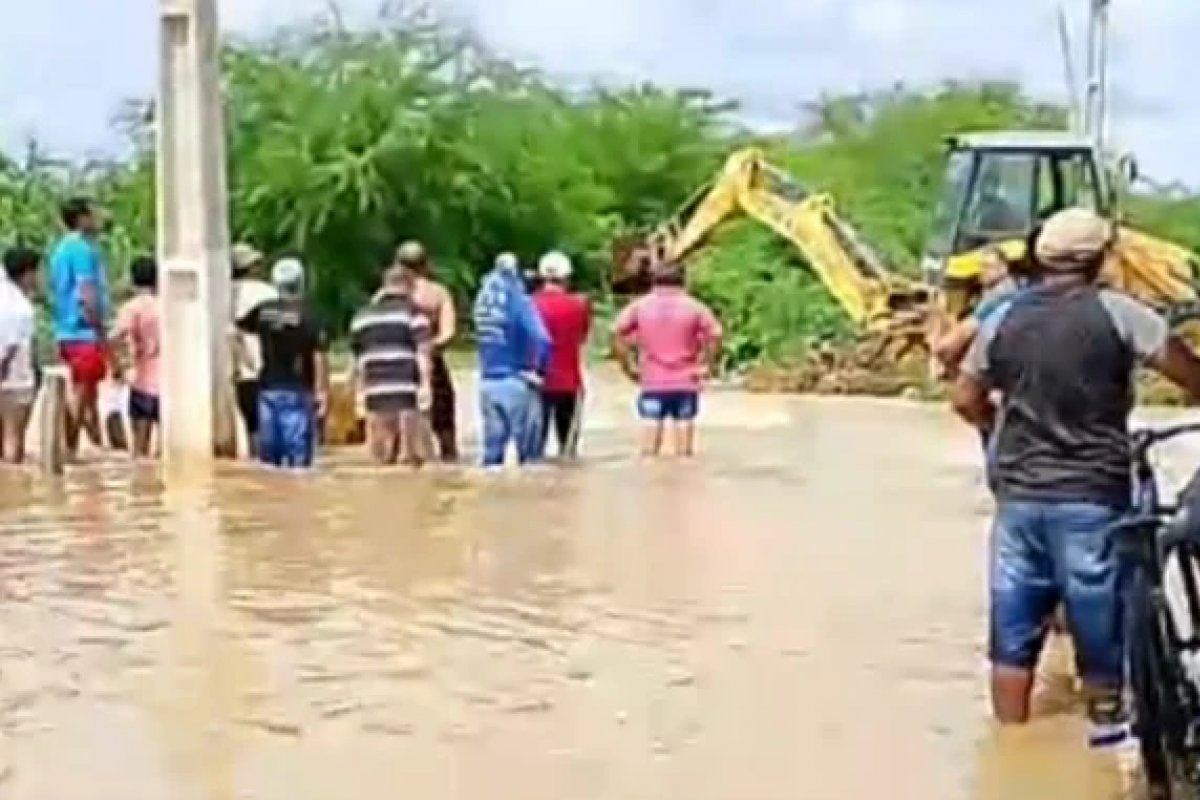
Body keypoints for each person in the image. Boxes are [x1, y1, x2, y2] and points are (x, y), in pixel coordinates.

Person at [949, 207, 1200, 745]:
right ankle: (1106, 737)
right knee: (1097, 614)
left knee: (1013, 622)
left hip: (1017, 494)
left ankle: (1008, 747)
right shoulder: (1120, 313)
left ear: (1040, 256)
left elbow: (964, 397)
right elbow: (1190, 375)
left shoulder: (1001, 319)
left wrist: (996, 429)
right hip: (1093, 492)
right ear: (1102, 259)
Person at [612, 261, 722, 458]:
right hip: (686, 381)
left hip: (652, 381)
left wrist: (628, 366)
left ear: (653, 280)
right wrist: (708, 365)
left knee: (649, 447)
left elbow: (617, 332)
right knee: (684, 451)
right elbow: (716, 334)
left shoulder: (640, 306)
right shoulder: (695, 307)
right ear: (683, 280)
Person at [235, 258, 330, 469]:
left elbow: (235, 330)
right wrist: (322, 391)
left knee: (269, 458)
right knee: (299, 460)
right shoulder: (309, 316)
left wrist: (247, 361)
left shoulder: (263, 310)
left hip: (267, 389)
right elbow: (319, 355)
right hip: (298, 391)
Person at [349, 262, 434, 466]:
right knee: (411, 460)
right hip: (407, 394)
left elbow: (357, 361)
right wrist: (426, 386)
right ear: (409, 286)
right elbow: (423, 355)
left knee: (379, 460)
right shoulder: (414, 314)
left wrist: (358, 395)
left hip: (374, 392)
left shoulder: (361, 318)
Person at [473, 252, 551, 468]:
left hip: (487, 382)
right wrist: (539, 371)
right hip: (517, 380)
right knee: (531, 462)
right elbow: (543, 340)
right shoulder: (518, 300)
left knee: (492, 459)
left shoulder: (482, 302)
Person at [49, 197, 110, 457]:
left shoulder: (59, 250)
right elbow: (87, 293)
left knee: (88, 393)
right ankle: (69, 450)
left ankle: (96, 444)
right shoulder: (83, 250)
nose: (98, 219)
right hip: (83, 331)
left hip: (65, 329)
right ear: (82, 218)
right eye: (94, 214)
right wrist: (100, 330)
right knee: (82, 392)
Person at [395, 241, 459, 462]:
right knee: (444, 428)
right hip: (433, 364)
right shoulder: (438, 293)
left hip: (396, 367)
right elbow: (448, 332)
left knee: (398, 433)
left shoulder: (387, 294)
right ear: (425, 264)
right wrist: (430, 347)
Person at [531, 250, 591, 458]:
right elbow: (582, 337)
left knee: (535, 451)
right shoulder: (580, 304)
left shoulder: (529, 305)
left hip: (536, 381)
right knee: (568, 452)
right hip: (569, 383)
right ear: (567, 277)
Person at [110, 256, 161, 458]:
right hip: (171, 386)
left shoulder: (132, 308)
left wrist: (118, 366)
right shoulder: (168, 305)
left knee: (140, 451)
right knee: (167, 451)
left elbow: (116, 337)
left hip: (143, 383)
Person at [230, 242, 278, 456]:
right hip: (268, 367)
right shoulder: (267, 293)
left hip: (240, 372)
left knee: (252, 428)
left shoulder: (220, 292)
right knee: (271, 427)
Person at [0, 247, 40, 463]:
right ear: (27, 274)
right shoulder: (22, 308)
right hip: (15, 380)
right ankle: (14, 487)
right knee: (13, 438)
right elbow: (11, 347)